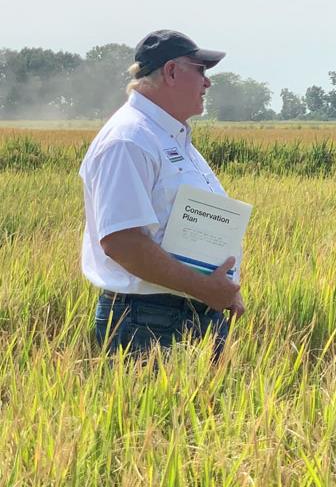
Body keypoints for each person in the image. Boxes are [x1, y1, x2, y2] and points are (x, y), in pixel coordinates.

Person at [80, 30, 244, 358]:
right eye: (200, 70)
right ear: (170, 72)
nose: (207, 82)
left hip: (185, 315)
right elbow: (122, 241)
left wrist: (223, 290)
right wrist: (204, 288)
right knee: (157, 412)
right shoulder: (128, 140)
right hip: (147, 322)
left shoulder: (169, 137)